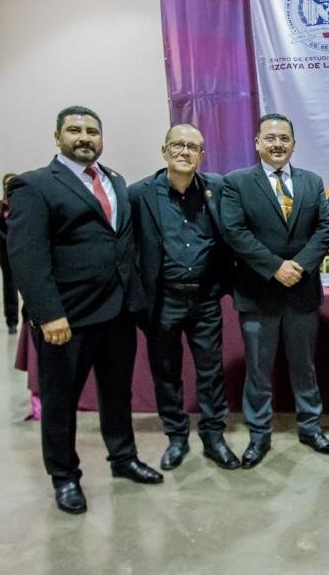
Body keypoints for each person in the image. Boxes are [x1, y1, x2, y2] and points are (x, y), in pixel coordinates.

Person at [7, 106, 162, 515]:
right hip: (68, 319)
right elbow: (26, 256)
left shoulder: (114, 180)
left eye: (92, 131)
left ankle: (123, 457)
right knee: (61, 402)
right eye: (74, 130)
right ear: (57, 136)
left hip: (117, 313)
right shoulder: (34, 185)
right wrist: (47, 313)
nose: (84, 137)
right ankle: (64, 476)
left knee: (117, 393)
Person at [221, 113, 329, 469]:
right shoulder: (237, 183)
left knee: (305, 367)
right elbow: (235, 232)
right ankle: (259, 435)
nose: (277, 144)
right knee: (258, 371)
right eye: (270, 138)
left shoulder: (311, 182)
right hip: (258, 296)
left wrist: (298, 266)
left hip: (302, 293)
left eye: (284, 138)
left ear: (294, 145)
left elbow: (325, 230)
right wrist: (274, 267)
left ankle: (310, 428)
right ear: (257, 143)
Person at [127, 124, 240, 471]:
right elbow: (128, 248)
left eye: (193, 147)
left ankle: (213, 437)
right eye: (178, 145)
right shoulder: (139, 194)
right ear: (164, 151)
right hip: (163, 300)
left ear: (202, 155)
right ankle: (176, 437)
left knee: (211, 372)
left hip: (205, 298)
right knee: (166, 372)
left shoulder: (216, 189)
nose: (184, 152)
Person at [0, 173, 20, 334]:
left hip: (22, 251)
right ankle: (11, 321)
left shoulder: (25, 203)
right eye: (6, 183)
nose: (9, 185)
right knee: (9, 286)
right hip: (5, 251)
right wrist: (9, 239)